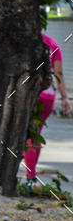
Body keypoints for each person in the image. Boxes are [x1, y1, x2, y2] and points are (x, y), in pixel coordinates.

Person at [23, 31, 72, 185]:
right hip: (48, 95)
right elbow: (59, 73)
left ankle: (30, 177)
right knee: (36, 134)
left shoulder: (26, 41)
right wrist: (64, 98)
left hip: (30, 93)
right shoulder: (53, 44)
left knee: (28, 135)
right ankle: (31, 174)